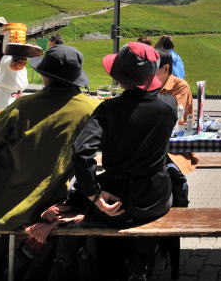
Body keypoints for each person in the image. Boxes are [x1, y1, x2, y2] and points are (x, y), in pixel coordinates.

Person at [0, 44, 95, 279]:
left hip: (5, 204)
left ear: (45, 76)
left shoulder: (23, 106)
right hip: (53, 204)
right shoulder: (91, 108)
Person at [71, 42, 177, 280]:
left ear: (119, 78)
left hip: (114, 198)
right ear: (153, 74)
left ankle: (110, 267)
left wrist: (95, 196)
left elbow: (81, 152)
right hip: (155, 198)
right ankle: (142, 267)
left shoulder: (108, 108)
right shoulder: (169, 106)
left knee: (103, 218)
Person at [157, 48, 199, 173]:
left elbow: (172, 114)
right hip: (153, 143)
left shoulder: (180, 85)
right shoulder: (146, 84)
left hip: (175, 146)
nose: (146, 72)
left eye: (151, 68)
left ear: (165, 68)